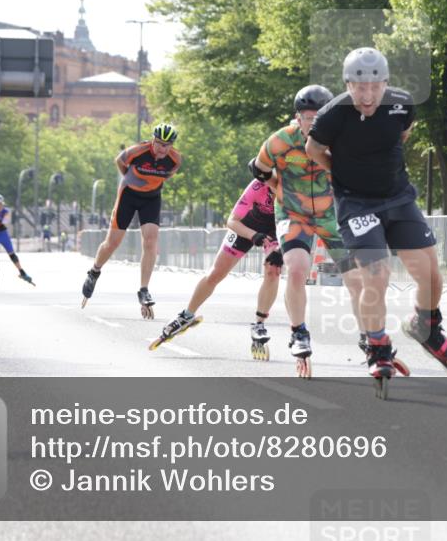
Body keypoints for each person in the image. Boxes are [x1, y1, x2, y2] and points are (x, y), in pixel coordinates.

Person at [306, 47, 447, 379]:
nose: (368, 95)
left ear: (386, 83)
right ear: (348, 85)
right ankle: (377, 347)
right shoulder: (332, 115)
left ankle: (426, 325)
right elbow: (313, 148)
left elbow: (404, 132)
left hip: (398, 198)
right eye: (359, 87)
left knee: (430, 273)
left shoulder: (402, 104)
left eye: (375, 86)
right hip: (356, 203)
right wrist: (341, 173)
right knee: (376, 275)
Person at [251, 85, 365, 376]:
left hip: (331, 216)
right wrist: (278, 188)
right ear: (297, 117)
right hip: (294, 214)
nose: (312, 123)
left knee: (355, 280)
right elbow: (259, 167)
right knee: (298, 268)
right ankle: (298, 331)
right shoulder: (280, 141)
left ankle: (369, 338)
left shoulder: (343, 141)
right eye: (307, 117)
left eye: (319, 117)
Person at [150, 174, 284, 354]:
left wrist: (283, 248)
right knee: (216, 273)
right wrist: (253, 235)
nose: (275, 186)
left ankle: (259, 325)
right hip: (247, 226)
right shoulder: (258, 186)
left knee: (273, 269)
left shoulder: (295, 191)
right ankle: (186, 315)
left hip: (276, 230)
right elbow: (232, 220)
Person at [81, 123, 182, 317]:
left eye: (167, 145)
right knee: (112, 243)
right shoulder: (137, 151)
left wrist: (150, 183)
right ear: (153, 141)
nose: (163, 149)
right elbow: (119, 161)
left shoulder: (175, 160)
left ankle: (144, 290)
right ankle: (94, 271)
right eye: (159, 144)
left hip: (151, 198)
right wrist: (129, 178)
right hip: (128, 195)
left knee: (151, 240)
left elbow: (168, 175)